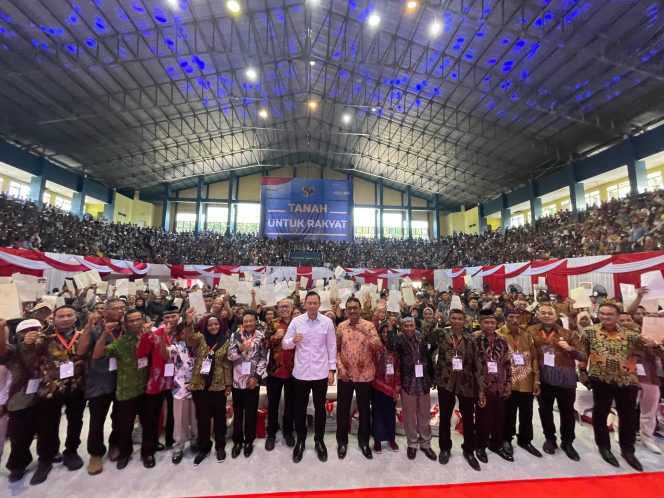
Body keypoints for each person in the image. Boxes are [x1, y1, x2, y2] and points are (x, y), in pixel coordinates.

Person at [579, 303, 662, 471]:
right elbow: (583, 353)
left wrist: (656, 344)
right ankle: (603, 446)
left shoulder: (631, 335)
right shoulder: (590, 332)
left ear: (617, 316)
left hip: (626, 381)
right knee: (600, 413)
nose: (605, 317)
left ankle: (627, 450)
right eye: (602, 314)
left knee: (628, 417)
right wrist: (583, 373)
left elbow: (654, 351)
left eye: (610, 314)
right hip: (600, 379)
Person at [22, 305, 87, 485]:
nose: (65, 319)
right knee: (47, 425)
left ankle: (71, 451)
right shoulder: (43, 338)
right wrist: (27, 343)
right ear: (54, 318)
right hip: (50, 387)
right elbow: (28, 358)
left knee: (76, 420)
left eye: (69, 315)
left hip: (77, 386)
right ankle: (46, 459)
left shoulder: (83, 335)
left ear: (75, 317)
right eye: (61, 316)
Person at [425, 308, 484, 470]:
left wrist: (480, 389)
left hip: (467, 383)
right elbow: (426, 339)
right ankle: (445, 448)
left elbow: (478, 365)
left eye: (460, 318)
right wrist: (434, 376)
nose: (457, 321)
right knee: (444, 417)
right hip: (446, 383)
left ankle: (469, 450)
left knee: (468, 419)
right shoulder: (441, 335)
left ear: (465, 321)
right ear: (449, 319)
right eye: (454, 318)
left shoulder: (470, 339)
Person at [282, 291, 337, 463]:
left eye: (315, 303)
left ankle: (319, 440)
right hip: (301, 373)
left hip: (320, 373)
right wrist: (293, 341)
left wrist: (331, 370)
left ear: (319, 305)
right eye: (309, 303)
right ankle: (300, 440)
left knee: (320, 408)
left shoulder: (327, 322)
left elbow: (331, 347)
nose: (312, 306)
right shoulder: (297, 321)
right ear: (304, 304)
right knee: (300, 408)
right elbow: (284, 343)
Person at [93, 309, 149, 470]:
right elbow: (97, 355)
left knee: (148, 423)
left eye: (138, 319)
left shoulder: (148, 337)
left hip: (146, 388)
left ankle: (147, 452)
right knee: (125, 426)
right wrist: (104, 334)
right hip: (127, 390)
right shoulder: (121, 342)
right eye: (131, 321)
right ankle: (124, 453)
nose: (135, 323)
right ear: (125, 323)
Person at [529, 304, 586, 461]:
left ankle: (568, 442)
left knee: (567, 412)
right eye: (543, 313)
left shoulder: (567, 333)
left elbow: (583, 355)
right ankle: (550, 439)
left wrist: (570, 349)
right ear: (538, 315)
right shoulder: (531, 331)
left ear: (556, 316)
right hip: (544, 379)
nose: (547, 316)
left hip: (566, 380)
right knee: (545, 410)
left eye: (550, 313)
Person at [76, 298, 126, 475]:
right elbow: (80, 351)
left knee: (120, 417)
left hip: (122, 380)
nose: (121, 311)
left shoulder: (126, 328)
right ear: (105, 312)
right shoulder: (96, 329)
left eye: (123, 308)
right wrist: (89, 327)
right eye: (116, 308)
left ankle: (115, 443)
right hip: (99, 381)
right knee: (97, 420)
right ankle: (95, 454)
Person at [183, 311, 232, 466]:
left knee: (220, 419)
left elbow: (227, 364)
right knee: (202, 419)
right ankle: (203, 448)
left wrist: (229, 383)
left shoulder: (226, 340)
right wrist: (189, 322)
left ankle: (220, 446)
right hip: (200, 385)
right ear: (206, 326)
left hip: (218, 385)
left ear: (220, 325)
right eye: (210, 324)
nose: (213, 327)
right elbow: (188, 339)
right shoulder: (200, 337)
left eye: (216, 324)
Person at [335, 297, 382, 460]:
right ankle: (342, 441)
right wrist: (340, 368)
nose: (352, 310)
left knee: (364, 410)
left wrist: (367, 333)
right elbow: (335, 349)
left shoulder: (369, 326)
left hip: (365, 375)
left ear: (360, 309)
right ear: (346, 310)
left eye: (355, 307)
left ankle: (363, 442)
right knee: (342, 409)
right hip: (345, 375)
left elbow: (379, 348)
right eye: (349, 308)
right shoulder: (341, 326)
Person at [387, 317, 436, 461]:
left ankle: (426, 444)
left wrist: (432, 377)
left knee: (424, 415)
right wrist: (391, 327)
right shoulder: (400, 339)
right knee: (409, 416)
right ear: (402, 327)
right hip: (408, 383)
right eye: (406, 325)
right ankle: (412, 444)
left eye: (411, 325)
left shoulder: (421, 337)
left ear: (415, 325)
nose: (409, 328)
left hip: (423, 382)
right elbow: (390, 347)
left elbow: (428, 356)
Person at [0, 319, 41, 483]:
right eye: (26, 330)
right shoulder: (12, 352)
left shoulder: (47, 346)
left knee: (45, 430)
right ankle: (17, 465)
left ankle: (48, 454)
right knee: (19, 436)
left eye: (35, 329)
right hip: (20, 400)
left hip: (44, 396)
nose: (31, 333)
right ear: (18, 335)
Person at [136, 307, 177, 468]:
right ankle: (148, 450)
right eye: (167, 317)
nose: (170, 320)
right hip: (157, 380)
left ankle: (170, 440)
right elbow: (141, 353)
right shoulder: (154, 335)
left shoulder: (182, 333)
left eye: (174, 316)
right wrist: (146, 335)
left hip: (176, 380)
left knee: (173, 413)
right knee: (151, 416)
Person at [498, 309, 542, 458]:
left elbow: (534, 358)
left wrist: (536, 380)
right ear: (505, 318)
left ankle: (525, 440)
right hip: (508, 382)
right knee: (508, 413)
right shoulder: (499, 335)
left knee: (527, 414)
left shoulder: (527, 336)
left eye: (518, 317)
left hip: (526, 381)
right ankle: (506, 439)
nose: (515, 320)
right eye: (511, 317)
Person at [473, 310, 512, 463]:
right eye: (486, 322)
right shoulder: (475, 339)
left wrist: (509, 382)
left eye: (492, 322)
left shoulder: (502, 340)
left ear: (497, 324)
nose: (490, 325)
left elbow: (507, 364)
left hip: (500, 385)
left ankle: (496, 444)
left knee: (499, 417)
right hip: (483, 385)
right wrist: (479, 390)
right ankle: (480, 445)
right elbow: (472, 366)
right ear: (480, 323)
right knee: (484, 419)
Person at [228, 310, 267, 458]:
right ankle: (237, 441)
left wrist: (257, 377)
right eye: (246, 321)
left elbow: (264, 358)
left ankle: (249, 441)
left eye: (251, 321)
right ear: (242, 323)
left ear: (256, 322)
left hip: (252, 381)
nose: (249, 323)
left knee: (251, 412)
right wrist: (240, 349)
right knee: (238, 413)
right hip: (237, 381)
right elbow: (230, 356)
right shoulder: (235, 336)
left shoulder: (261, 337)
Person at [264, 298, 296, 450]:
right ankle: (271, 434)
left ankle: (288, 432)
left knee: (290, 404)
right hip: (275, 371)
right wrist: (274, 337)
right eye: (281, 306)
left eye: (286, 306)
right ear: (277, 309)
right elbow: (264, 344)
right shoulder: (272, 323)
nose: (284, 309)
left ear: (292, 307)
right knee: (273, 405)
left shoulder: (298, 323)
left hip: (294, 371)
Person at [167, 309, 198, 464]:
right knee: (180, 420)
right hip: (180, 389)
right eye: (184, 332)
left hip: (197, 387)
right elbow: (166, 353)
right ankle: (178, 446)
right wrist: (161, 335)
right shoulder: (176, 346)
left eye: (189, 331)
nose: (187, 334)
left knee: (196, 418)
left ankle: (195, 441)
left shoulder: (199, 345)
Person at [372, 320, 400, 453]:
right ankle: (377, 441)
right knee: (377, 414)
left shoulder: (395, 349)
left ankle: (391, 439)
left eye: (387, 332)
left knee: (390, 414)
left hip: (391, 386)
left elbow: (398, 368)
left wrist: (396, 387)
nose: (385, 334)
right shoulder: (376, 346)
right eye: (382, 332)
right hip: (377, 385)